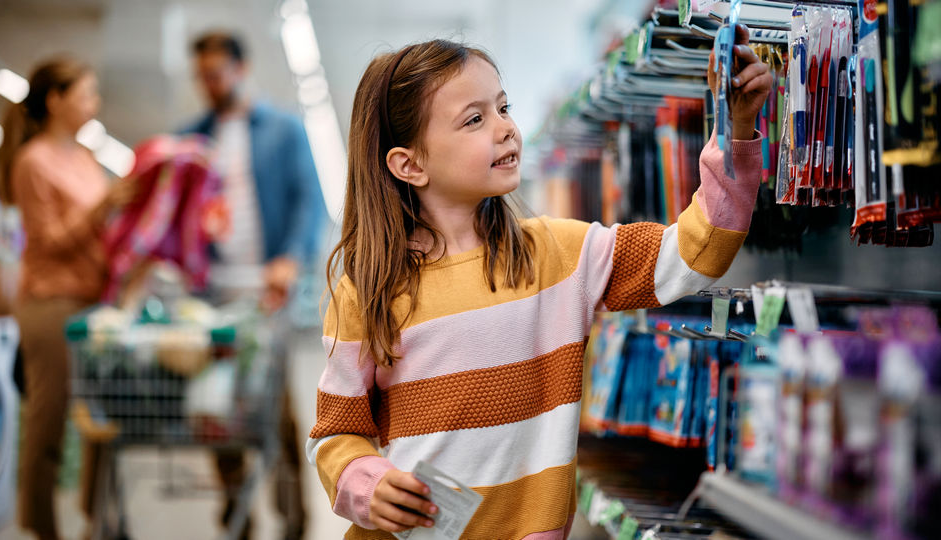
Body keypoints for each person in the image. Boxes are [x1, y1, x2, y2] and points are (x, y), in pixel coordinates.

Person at [307, 31, 772, 538]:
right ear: (410, 165)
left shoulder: (560, 255)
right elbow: (338, 432)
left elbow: (696, 252)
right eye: (475, 119)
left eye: (503, 107)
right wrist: (368, 486)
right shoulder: (369, 289)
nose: (506, 128)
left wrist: (736, 128)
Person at [180, 31, 327, 539]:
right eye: (202, 75)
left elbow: (310, 202)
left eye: (218, 72)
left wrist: (291, 258)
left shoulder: (283, 129)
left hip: (268, 294)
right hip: (213, 294)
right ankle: (235, 514)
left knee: (272, 408)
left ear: (241, 69)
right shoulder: (194, 139)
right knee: (214, 405)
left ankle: (294, 518)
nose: (210, 84)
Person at [0, 56, 134, 540]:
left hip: (92, 303)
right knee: (48, 423)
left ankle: (93, 522)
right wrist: (102, 208)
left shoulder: (84, 157)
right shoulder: (33, 162)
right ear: (56, 100)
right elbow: (48, 240)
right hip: (50, 306)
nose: (95, 102)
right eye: (86, 94)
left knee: (100, 420)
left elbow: (96, 233)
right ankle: (40, 527)